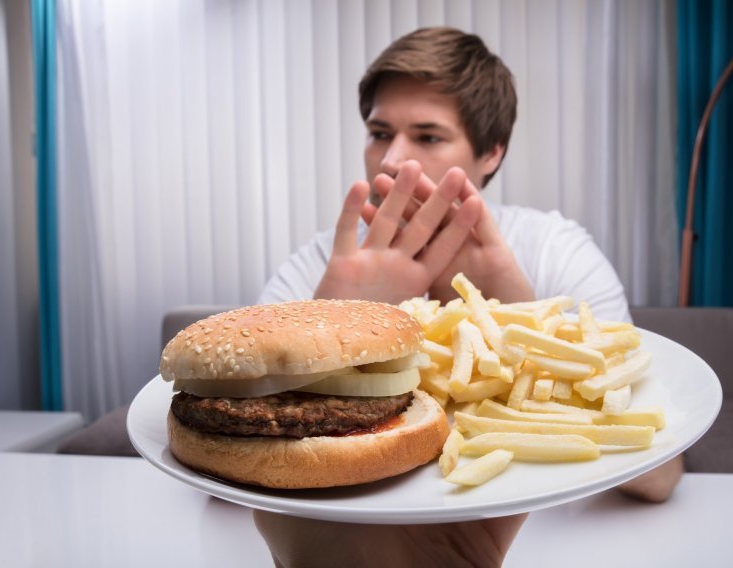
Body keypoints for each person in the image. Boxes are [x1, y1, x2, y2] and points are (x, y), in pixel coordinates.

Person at [254, 27, 683, 567]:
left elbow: (661, 478)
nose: (392, 161)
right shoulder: (321, 265)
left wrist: (520, 325)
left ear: (492, 152)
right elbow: (220, 478)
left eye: (428, 137)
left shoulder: (556, 251)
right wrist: (331, 327)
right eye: (380, 132)